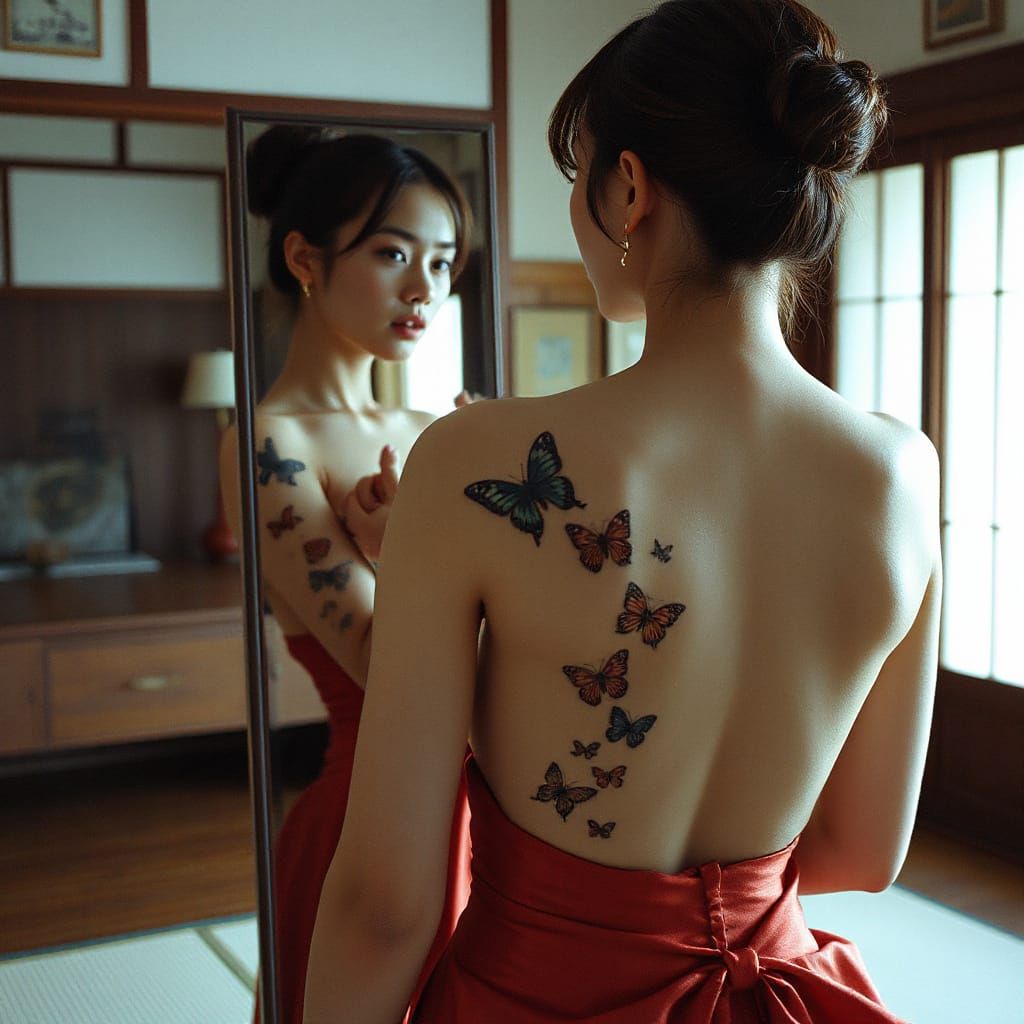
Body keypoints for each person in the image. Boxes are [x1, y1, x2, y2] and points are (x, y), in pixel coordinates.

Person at [303, 1, 942, 1021]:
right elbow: (862, 854)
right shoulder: (900, 473)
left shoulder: (470, 461)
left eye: (579, 173)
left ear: (630, 187)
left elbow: (387, 904)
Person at [219, 127, 477, 1024]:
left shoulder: (438, 429)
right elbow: (379, 663)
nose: (425, 289)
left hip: (493, 808)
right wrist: (418, 551)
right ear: (305, 258)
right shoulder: (268, 443)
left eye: (441, 263)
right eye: (393, 253)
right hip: (374, 816)